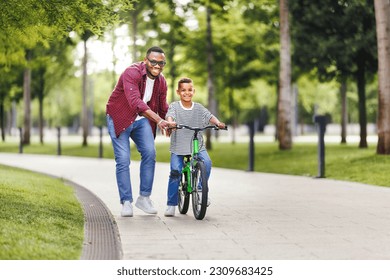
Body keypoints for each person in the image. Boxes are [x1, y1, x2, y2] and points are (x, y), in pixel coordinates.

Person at [106, 46, 174, 217]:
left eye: (161, 63)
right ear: (146, 61)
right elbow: (136, 102)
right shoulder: (132, 73)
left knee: (150, 153)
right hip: (119, 117)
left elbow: (163, 106)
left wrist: (170, 121)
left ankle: (144, 198)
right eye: (153, 62)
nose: (157, 66)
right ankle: (126, 202)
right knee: (123, 160)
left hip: (141, 120)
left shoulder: (162, 81)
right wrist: (159, 120)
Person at [164, 77, 226, 217]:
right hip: (179, 146)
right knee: (175, 171)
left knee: (207, 163)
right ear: (178, 91)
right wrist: (171, 122)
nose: (187, 93)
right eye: (183, 90)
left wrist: (218, 123)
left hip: (197, 144)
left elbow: (209, 116)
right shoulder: (174, 106)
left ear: (193, 91)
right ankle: (171, 203)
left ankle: (200, 189)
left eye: (190, 90)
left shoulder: (198, 107)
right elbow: (170, 116)